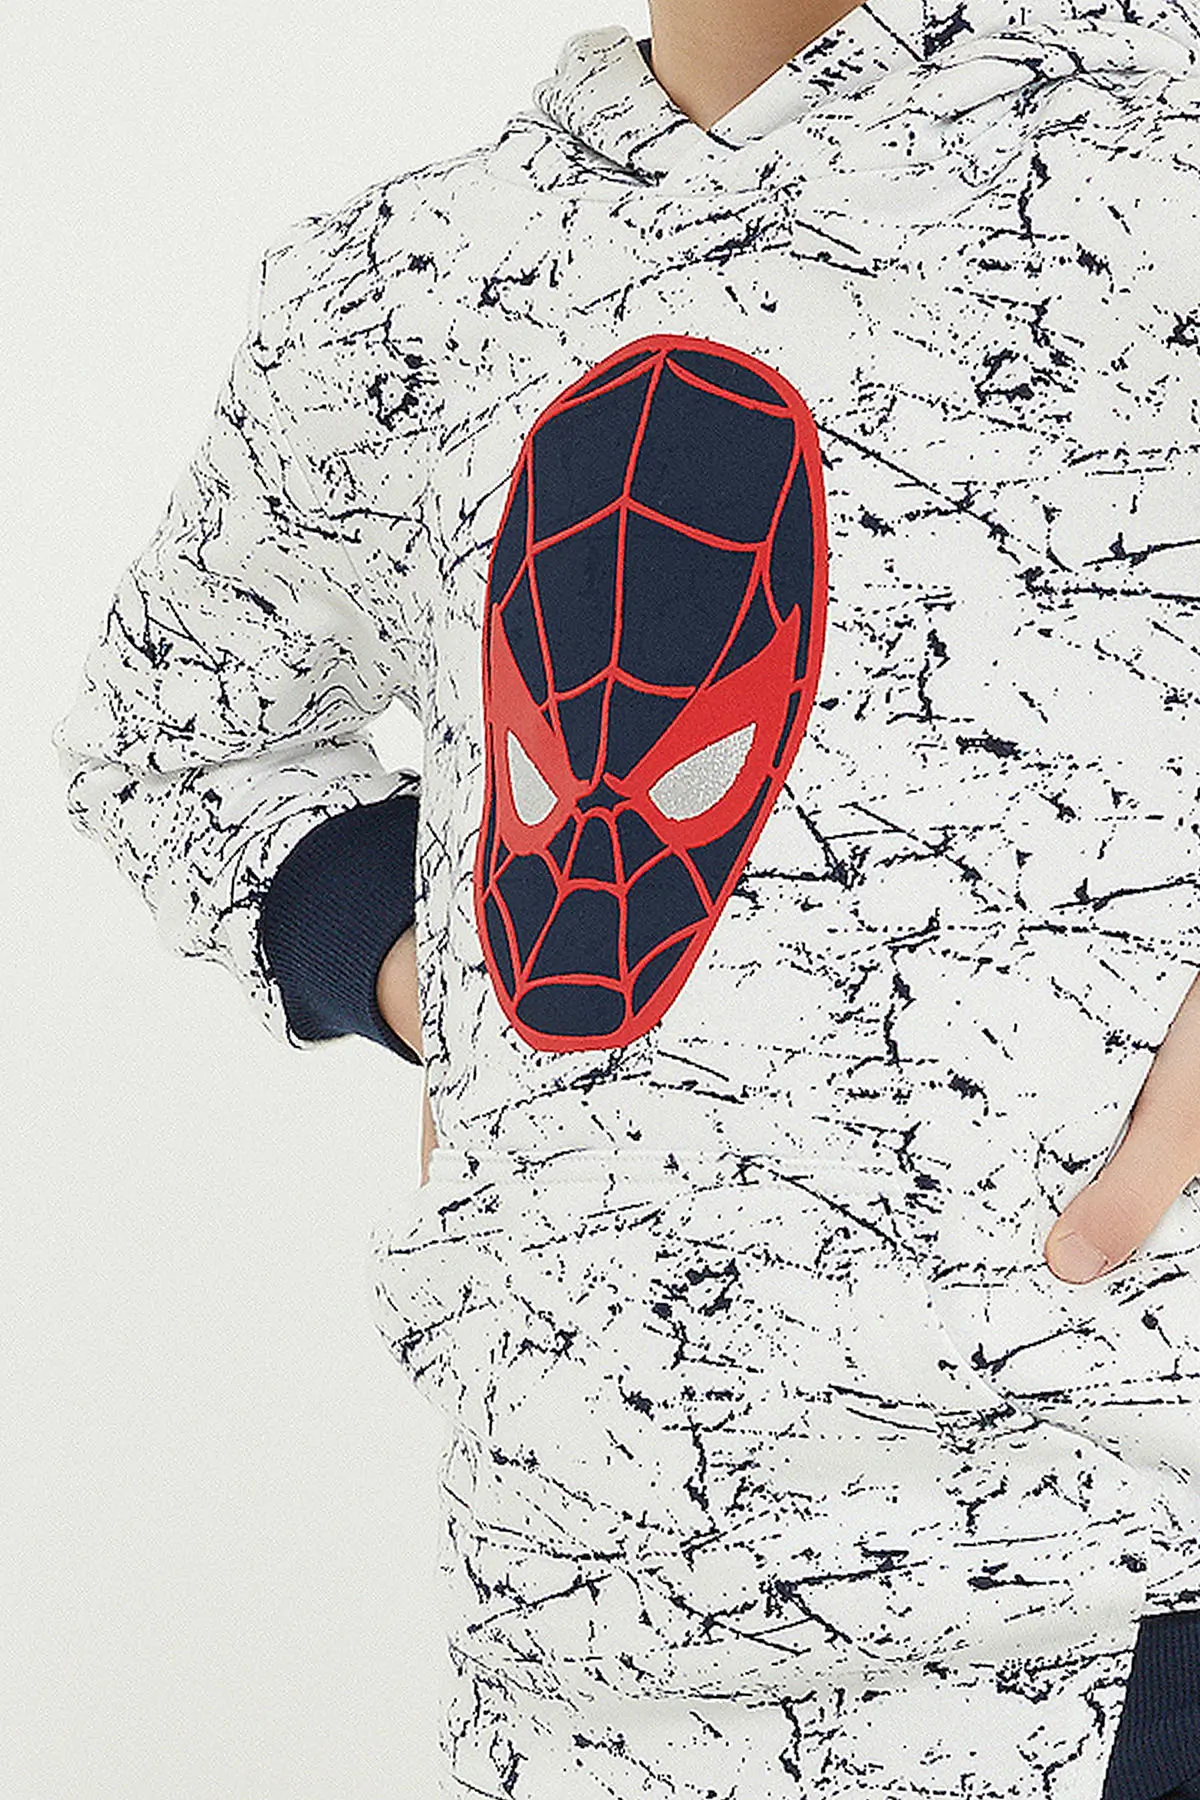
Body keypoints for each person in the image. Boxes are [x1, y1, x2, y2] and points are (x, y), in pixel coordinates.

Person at [50, 0, 1200, 1793]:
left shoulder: (1157, 169)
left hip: (1115, 1588)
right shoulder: (411, 282)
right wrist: (440, 975)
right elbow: (177, 739)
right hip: (580, 1617)